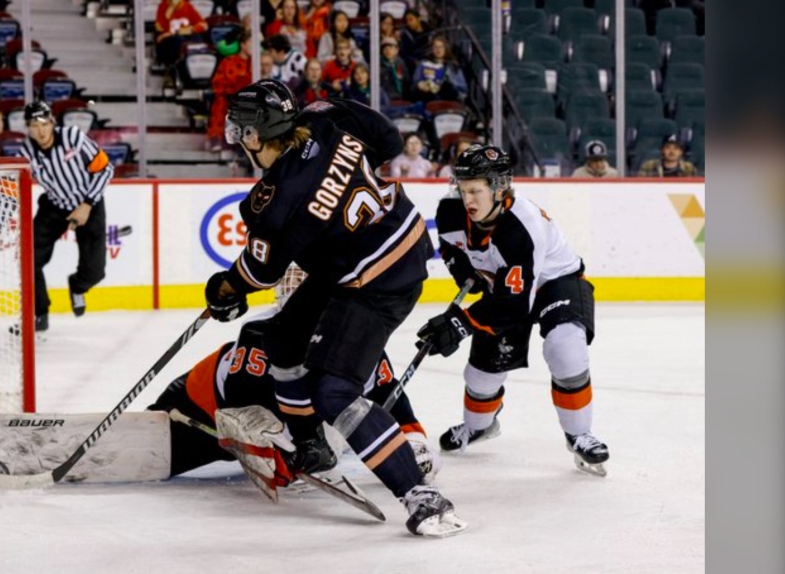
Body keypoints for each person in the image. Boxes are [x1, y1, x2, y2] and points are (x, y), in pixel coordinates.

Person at [209, 79, 465, 537]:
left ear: (254, 136)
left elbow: (261, 272)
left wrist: (225, 288)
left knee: (334, 392)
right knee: (282, 339)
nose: (239, 141)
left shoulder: (274, 198)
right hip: (380, 248)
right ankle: (312, 446)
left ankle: (421, 496)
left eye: (241, 131)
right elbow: (386, 139)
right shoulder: (324, 118)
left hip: (378, 281)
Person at [415, 144, 611, 477]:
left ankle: (580, 435)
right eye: (463, 190)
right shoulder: (451, 211)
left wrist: (461, 323)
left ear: (499, 188)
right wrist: (463, 272)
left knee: (566, 348)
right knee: (481, 376)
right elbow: (450, 247)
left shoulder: (522, 225)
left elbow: (516, 306)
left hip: (555, 282)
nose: (468, 200)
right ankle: (479, 426)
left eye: (476, 190)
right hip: (503, 288)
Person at [149, 267, 440, 484]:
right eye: (293, 280)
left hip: (273, 423)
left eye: (307, 281)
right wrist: (282, 451)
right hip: (196, 411)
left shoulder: (358, 334)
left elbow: (386, 393)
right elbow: (242, 406)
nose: (299, 290)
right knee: (150, 455)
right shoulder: (259, 332)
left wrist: (414, 442)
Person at [6, 101, 113, 334]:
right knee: (28, 260)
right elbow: (9, 190)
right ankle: (39, 314)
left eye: (43, 124)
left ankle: (77, 286)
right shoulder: (26, 153)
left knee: (95, 271)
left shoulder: (73, 137)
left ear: (52, 122)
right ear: (28, 128)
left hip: (89, 203)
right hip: (54, 207)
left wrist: (86, 205)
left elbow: (104, 168)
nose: (40, 131)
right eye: (34, 125)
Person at [207, 28, 254, 152]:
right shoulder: (227, 62)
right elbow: (218, 85)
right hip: (230, 99)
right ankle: (217, 139)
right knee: (220, 104)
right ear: (243, 44)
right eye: (252, 43)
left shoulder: (257, 63)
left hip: (252, 101)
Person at [154, 0, 208, 69]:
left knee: (198, 39)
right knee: (177, 42)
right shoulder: (163, 6)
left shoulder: (187, 6)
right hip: (172, 40)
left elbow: (203, 25)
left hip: (187, 37)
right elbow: (159, 37)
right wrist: (168, 13)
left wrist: (191, 29)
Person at [412, 35, 466, 103]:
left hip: (446, 99)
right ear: (431, 49)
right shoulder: (423, 64)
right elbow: (414, 83)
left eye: (441, 47)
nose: (438, 49)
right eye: (435, 47)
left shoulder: (453, 66)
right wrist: (419, 84)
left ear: (445, 48)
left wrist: (447, 86)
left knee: (447, 86)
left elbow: (462, 89)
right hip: (426, 97)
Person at [379, 37, 410, 102]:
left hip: (400, 98)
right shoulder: (378, 63)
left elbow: (406, 81)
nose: (388, 51)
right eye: (385, 48)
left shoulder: (400, 62)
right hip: (385, 99)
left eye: (391, 48)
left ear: (397, 50)